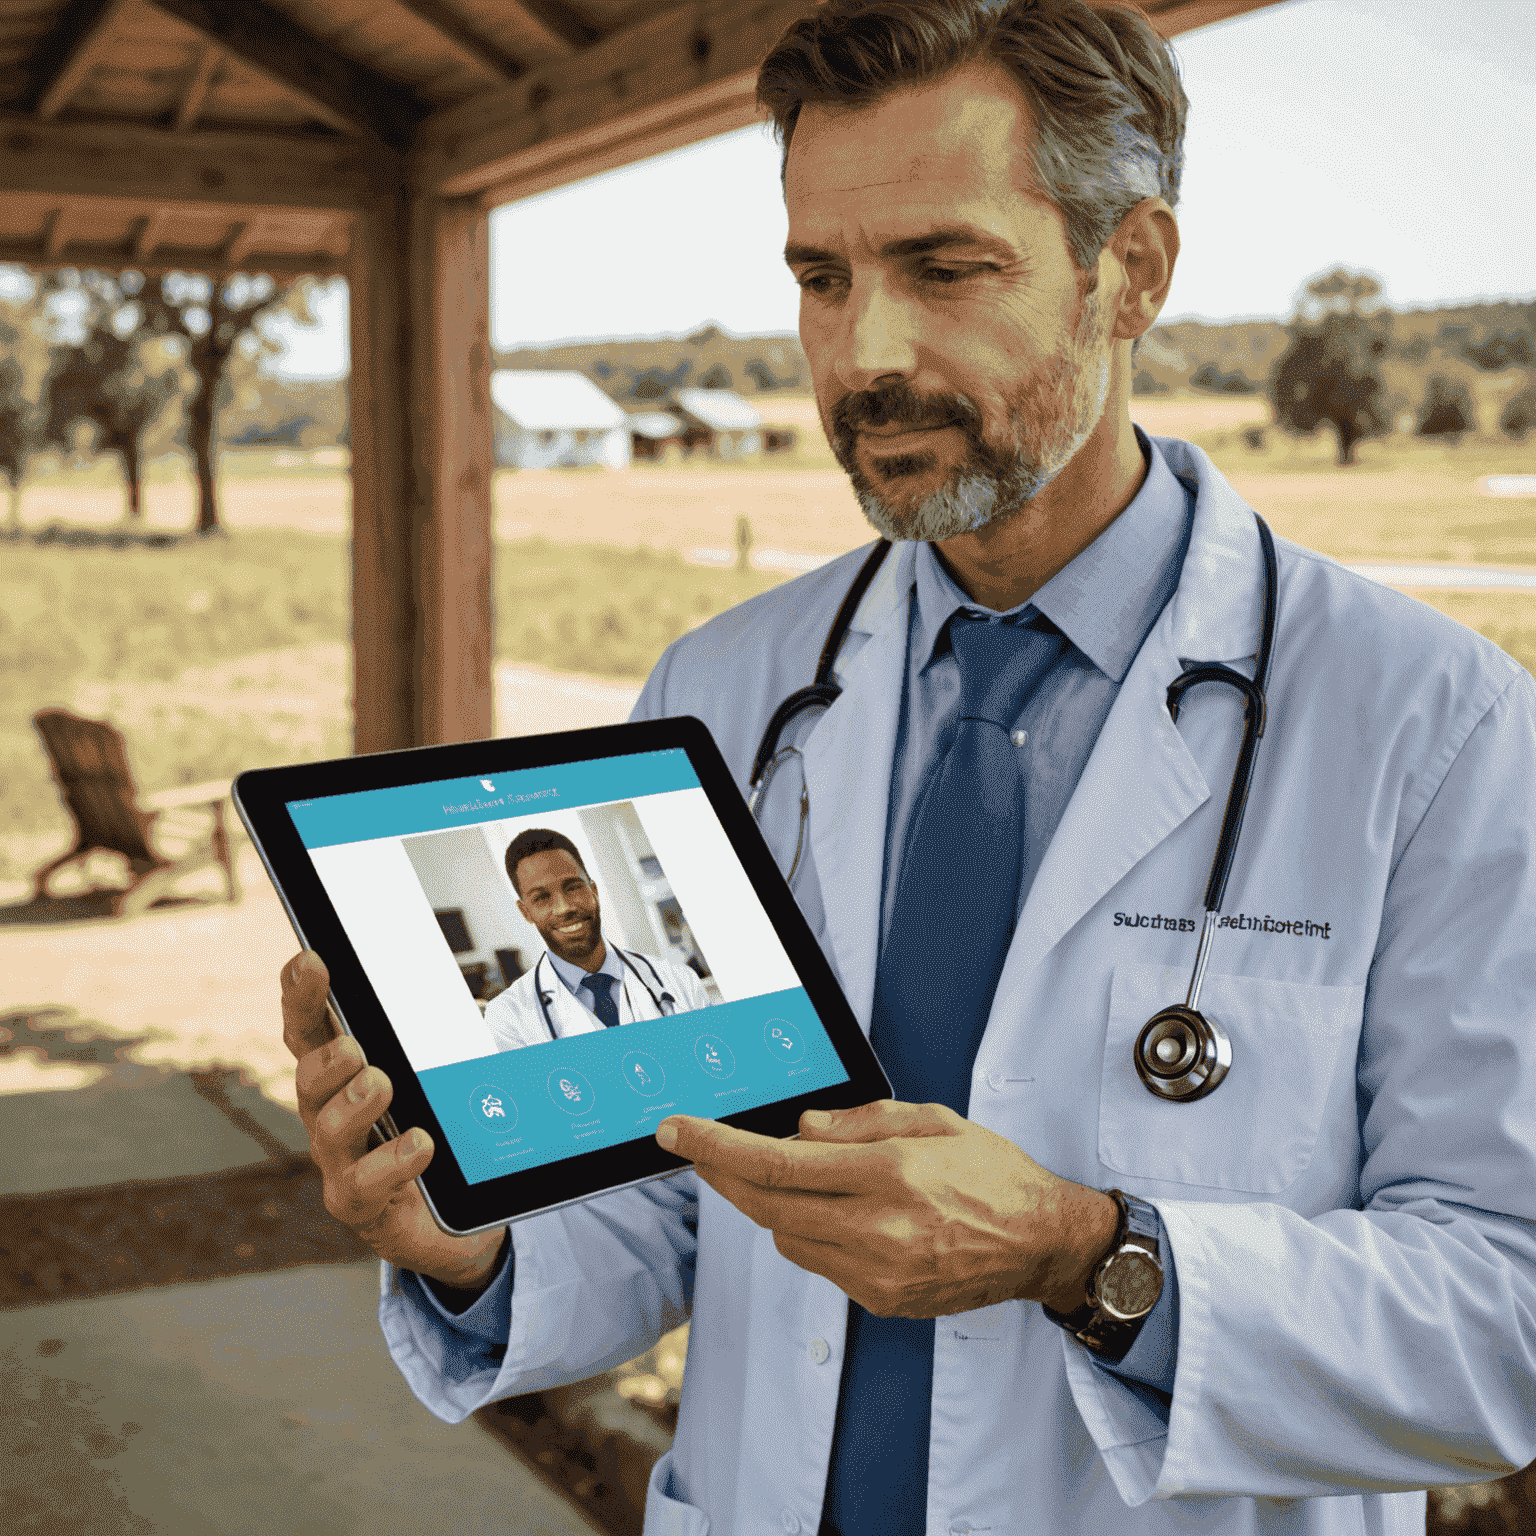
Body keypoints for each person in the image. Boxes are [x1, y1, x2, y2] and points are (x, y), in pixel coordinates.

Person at [279, 2, 1536, 1532]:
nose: (865, 353)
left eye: (946, 269)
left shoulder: (1432, 723)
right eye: (824, 277)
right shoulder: (724, 691)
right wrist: (466, 1235)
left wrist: (1087, 1253)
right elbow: (683, 1187)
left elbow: (1507, 1319)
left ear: (1128, 270)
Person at [482, 827, 713, 1050]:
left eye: (572, 887)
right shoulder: (507, 1017)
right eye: (542, 897)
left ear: (594, 891)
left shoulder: (679, 981)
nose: (563, 908)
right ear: (526, 912)